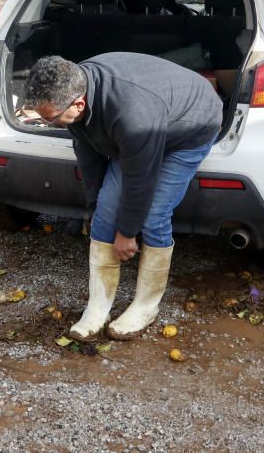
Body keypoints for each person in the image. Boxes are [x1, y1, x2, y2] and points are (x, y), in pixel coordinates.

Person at [25, 53, 223, 340]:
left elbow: (140, 179)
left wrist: (127, 234)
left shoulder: (132, 114)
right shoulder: (77, 89)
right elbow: (88, 154)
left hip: (190, 127)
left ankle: (146, 305)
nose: (50, 124)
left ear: (78, 103)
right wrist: (94, 209)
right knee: (106, 209)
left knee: (154, 214)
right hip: (147, 127)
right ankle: (98, 307)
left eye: (51, 120)